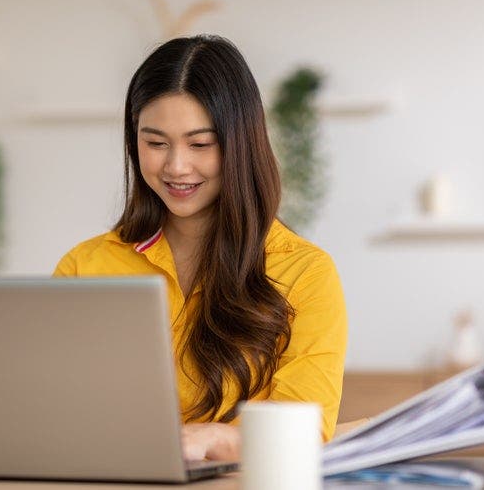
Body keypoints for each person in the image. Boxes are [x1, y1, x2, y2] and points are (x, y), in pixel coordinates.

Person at [53, 34, 347, 461]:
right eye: (155, 143)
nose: (175, 166)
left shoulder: (306, 273)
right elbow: (54, 407)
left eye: (200, 144)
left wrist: (213, 439)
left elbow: (305, 427)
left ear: (240, 144)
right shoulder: (85, 265)